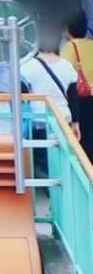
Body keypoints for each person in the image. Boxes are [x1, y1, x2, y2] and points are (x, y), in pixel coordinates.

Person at [21, 25, 80, 175]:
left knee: (40, 162)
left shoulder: (28, 66)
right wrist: (76, 123)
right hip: (62, 119)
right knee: (60, 159)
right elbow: (74, 97)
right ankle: (61, 190)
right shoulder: (67, 65)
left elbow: (22, 95)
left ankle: (52, 193)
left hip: (39, 120)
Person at [62, 10, 93, 159]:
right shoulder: (91, 44)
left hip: (82, 99)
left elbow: (65, 73)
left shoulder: (70, 47)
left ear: (67, 28)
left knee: (84, 138)